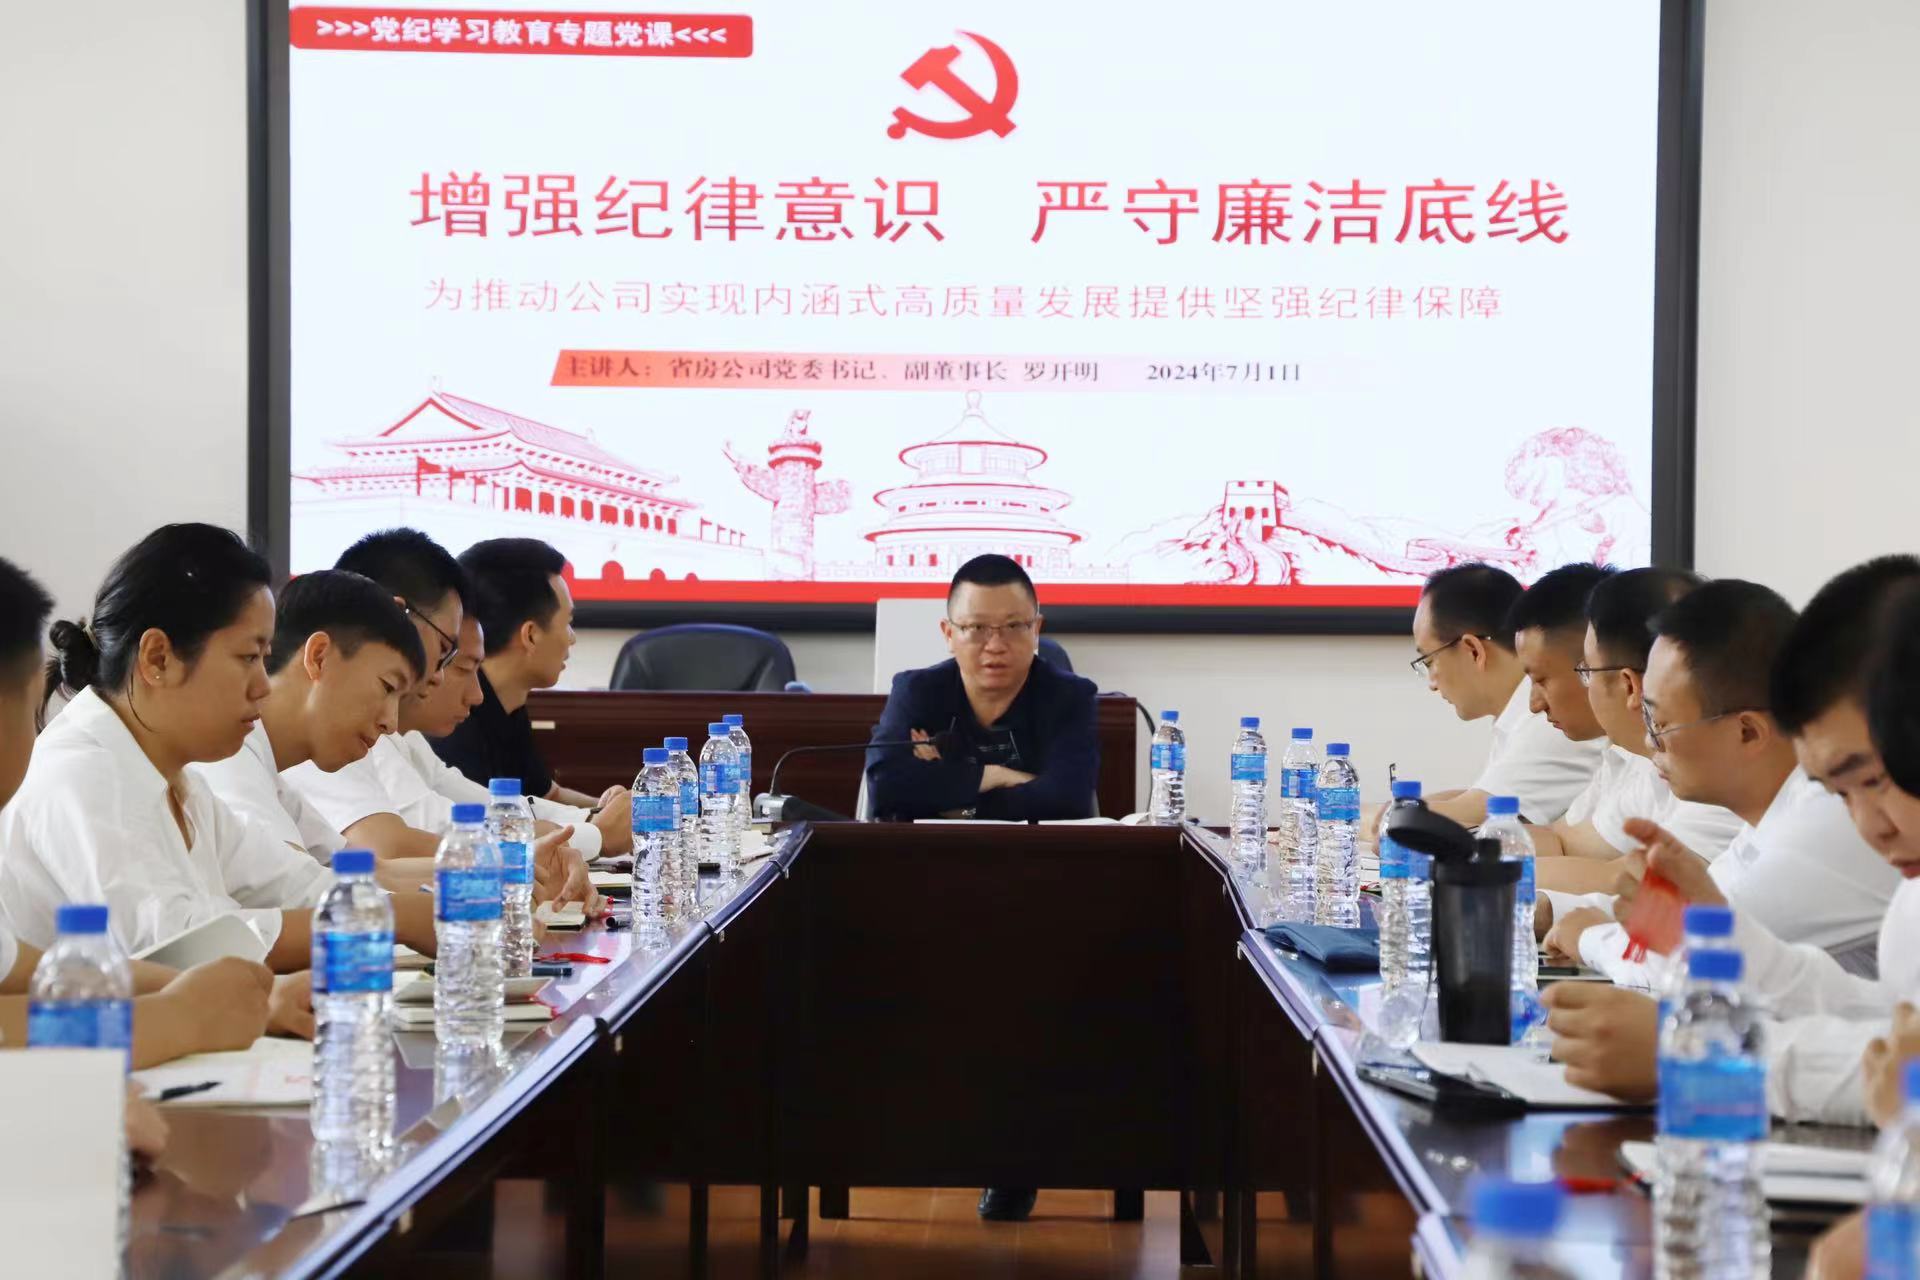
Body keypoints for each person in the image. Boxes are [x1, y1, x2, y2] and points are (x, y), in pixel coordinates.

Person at [1542, 556, 1920, 1125]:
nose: (1870, 826)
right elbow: (1884, 1023)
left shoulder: (1828, 828)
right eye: (1843, 792)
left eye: (1874, 780)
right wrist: (1716, 934)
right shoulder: (1906, 893)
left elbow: (1897, 1070)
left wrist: (1695, 1056)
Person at [0, 524, 439, 971]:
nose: (263, 687)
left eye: (264, 659)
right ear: (158, 658)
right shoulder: (84, 772)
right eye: (249, 657)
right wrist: (388, 917)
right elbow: (178, 946)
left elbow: (296, 885)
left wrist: (398, 910)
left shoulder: (183, 782)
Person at [1542, 579, 1897, 979]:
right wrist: (1553, 910)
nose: (1649, 741)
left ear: (1747, 732)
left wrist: (1587, 937)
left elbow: (1690, 959)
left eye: (1659, 722)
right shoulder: (1774, 810)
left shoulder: (1828, 818)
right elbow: (1688, 908)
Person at [286, 608, 607, 905]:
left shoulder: (389, 736)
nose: (434, 676)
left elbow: (377, 871)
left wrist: (511, 870)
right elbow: (387, 848)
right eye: (447, 657)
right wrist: (594, 833)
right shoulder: (328, 740)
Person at [1524, 567, 1743, 893]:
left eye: (1587, 671)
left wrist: (1483, 872)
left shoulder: (1721, 768)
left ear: (1630, 684)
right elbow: (1570, 842)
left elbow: (1634, 881)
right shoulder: (1647, 760)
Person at [192, 569, 426, 865]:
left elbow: (364, 869)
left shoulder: (272, 777)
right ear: (319, 657)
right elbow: (296, 885)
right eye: (388, 686)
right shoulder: (229, 758)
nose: (391, 723)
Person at [866, 554, 1100, 825]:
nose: (996, 645)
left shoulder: (1070, 696)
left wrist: (958, 804)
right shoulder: (917, 692)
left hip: (1036, 850)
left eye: (1014, 626)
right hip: (930, 849)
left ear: (1036, 630)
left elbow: (1069, 798)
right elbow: (885, 786)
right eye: (977, 627)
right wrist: (995, 776)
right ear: (949, 634)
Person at [1394, 562, 1603, 827]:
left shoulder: (1555, 721)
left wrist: (1358, 810)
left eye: (1429, 661)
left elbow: (1470, 815)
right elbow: (1475, 798)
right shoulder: (1517, 717)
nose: (1432, 684)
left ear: (1473, 650)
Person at [432, 538, 607, 810]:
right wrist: (605, 821)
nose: (571, 638)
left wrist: (618, 809)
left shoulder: (509, 703)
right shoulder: (453, 719)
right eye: (568, 623)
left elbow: (546, 796)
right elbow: (495, 821)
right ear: (531, 635)